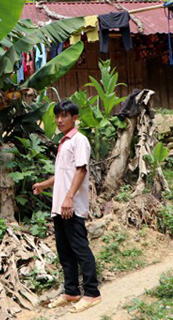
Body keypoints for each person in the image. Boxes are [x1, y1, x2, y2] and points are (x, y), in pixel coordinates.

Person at [32, 100, 101, 313]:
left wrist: (69, 198)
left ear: (75, 118)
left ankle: (92, 293)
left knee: (80, 249)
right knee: (65, 251)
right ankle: (71, 291)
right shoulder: (64, 142)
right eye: (57, 116)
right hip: (60, 206)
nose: (59, 120)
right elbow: (64, 173)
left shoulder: (79, 140)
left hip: (71, 205)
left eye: (64, 116)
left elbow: (81, 171)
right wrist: (44, 185)